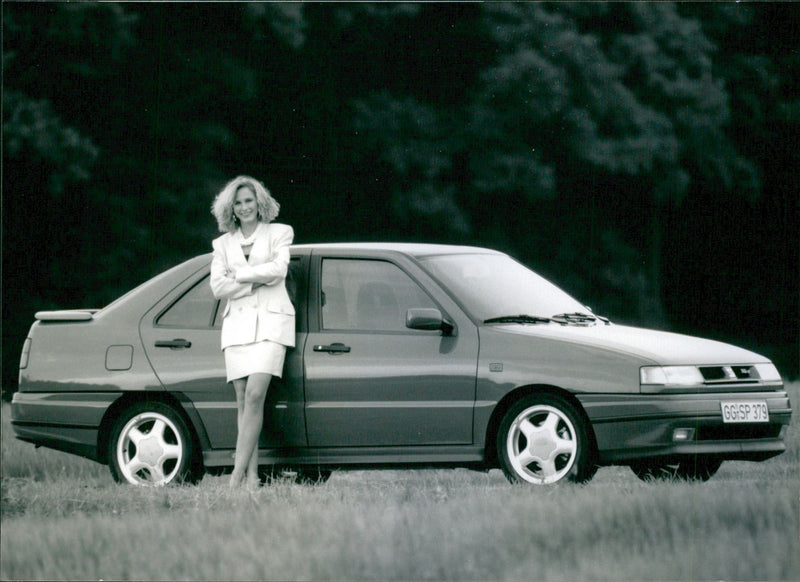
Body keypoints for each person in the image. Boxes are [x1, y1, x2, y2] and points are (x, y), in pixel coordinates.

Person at [209, 176, 295, 489]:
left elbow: (279, 270)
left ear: (259, 203)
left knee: (257, 394)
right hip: (236, 327)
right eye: (239, 202)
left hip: (273, 323)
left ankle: (234, 479)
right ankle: (253, 477)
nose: (245, 207)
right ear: (230, 208)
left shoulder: (280, 232)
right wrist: (256, 281)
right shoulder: (222, 244)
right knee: (243, 400)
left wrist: (241, 275)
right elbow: (218, 287)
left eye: (249, 201)